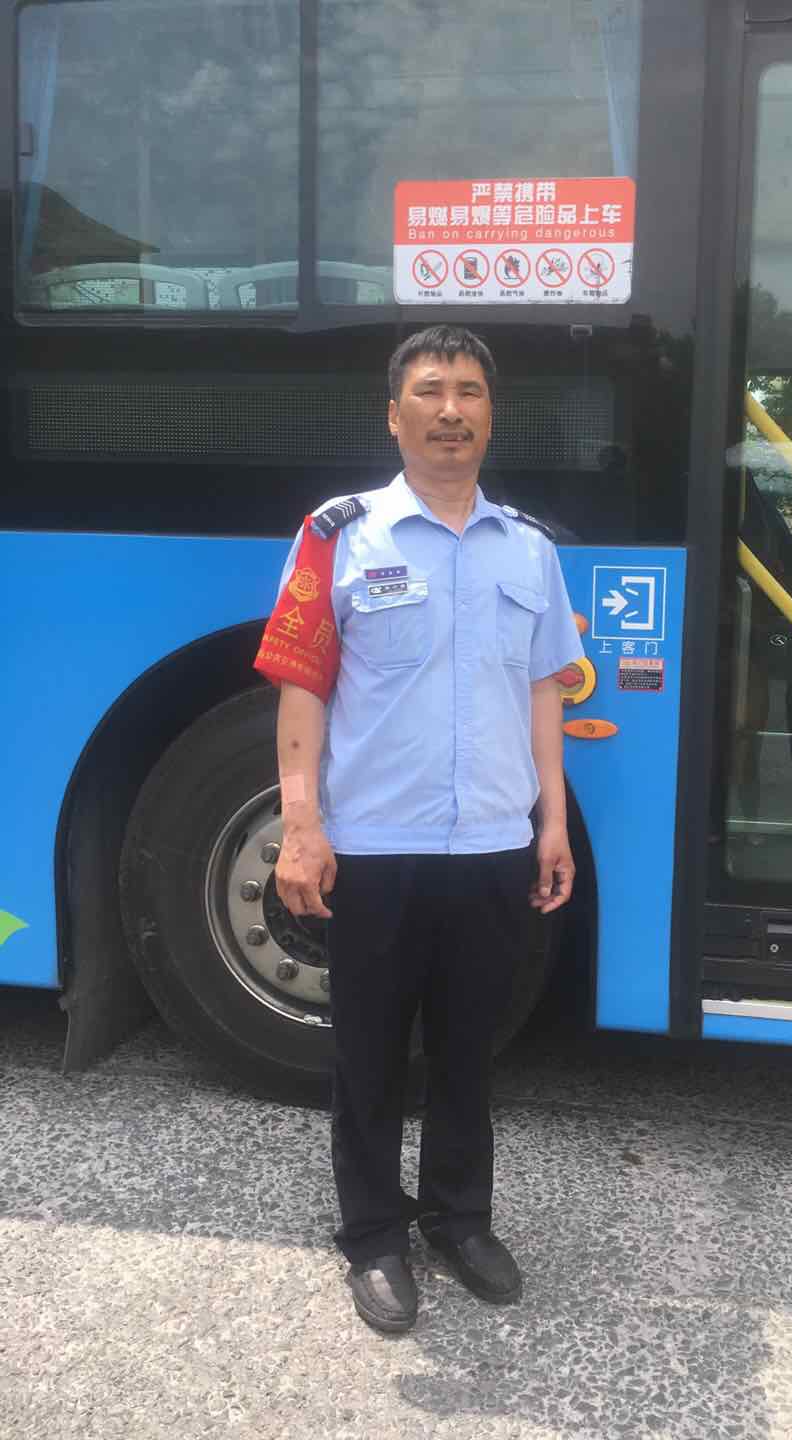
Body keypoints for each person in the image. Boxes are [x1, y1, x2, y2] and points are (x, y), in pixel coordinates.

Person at [253, 325, 584, 1334]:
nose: (451, 409)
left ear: (491, 414)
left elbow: (544, 695)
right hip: (376, 850)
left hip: (489, 847)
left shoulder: (528, 549)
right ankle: (372, 1236)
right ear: (394, 415)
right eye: (431, 390)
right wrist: (301, 826)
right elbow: (302, 690)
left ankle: (458, 1218)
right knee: (368, 1057)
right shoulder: (339, 537)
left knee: (469, 1051)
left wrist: (552, 822)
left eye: (469, 391)